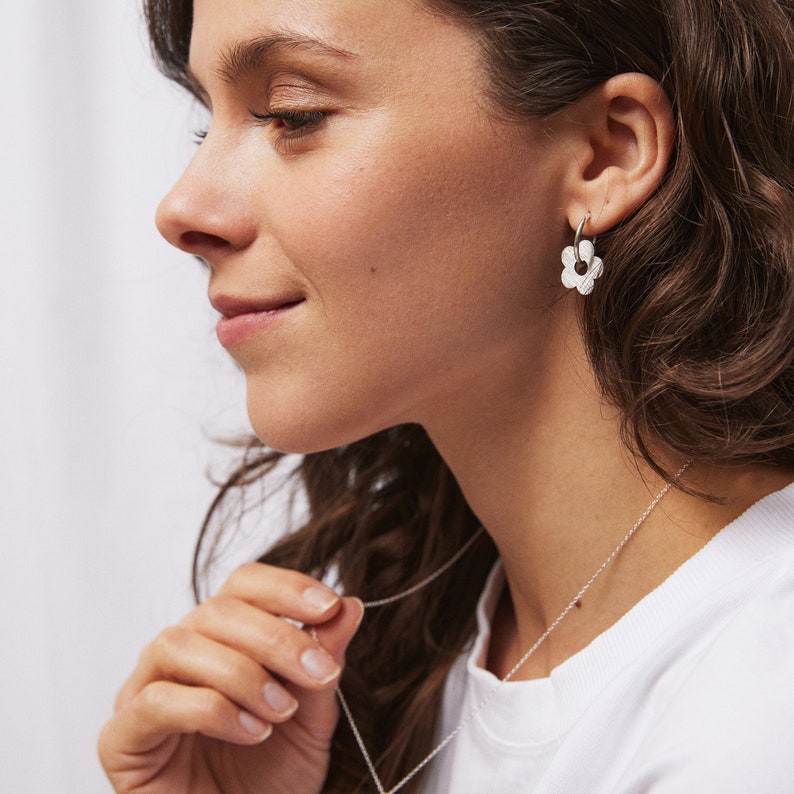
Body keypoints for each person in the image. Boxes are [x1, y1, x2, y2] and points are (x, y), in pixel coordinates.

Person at [98, 0, 794, 791]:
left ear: (605, 154)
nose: (182, 210)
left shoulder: (761, 700)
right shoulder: (408, 655)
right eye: (205, 127)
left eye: (292, 113)